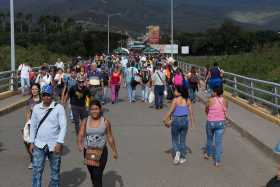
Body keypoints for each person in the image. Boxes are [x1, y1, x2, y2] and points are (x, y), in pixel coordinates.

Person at [29, 84, 67, 187]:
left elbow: (63, 126)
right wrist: (31, 142)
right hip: (39, 144)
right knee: (37, 171)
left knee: (55, 172)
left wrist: (59, 143)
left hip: (54, 145)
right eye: (44, 95)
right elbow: (33, 126)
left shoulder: (59, 108)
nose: (46, 97)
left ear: (52, 95)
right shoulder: (36, 108)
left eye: (48, 95)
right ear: (41, 95)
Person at [77, 100, 118, 187]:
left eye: (96, 109)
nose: (94, 111)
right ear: (89, 110)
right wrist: (80, 144)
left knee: (98, 174)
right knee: (92, 173)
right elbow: (81, 133)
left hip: (101, 152)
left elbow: (110, 137)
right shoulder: (85, 120)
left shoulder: (105, 122)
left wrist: (114, 151)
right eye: (92, 109)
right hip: (88, 152)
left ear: (100, 109)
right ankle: (95, 183)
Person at [163, 86, 194, 164]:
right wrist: (192, 123)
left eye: (175, 90)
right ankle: (183, 157)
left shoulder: (175, 100)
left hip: (176, 120)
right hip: (185, 120)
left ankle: (177, 151)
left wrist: (165, 119)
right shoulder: (188, 100)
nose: (174, 92)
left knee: (174, 138)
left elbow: (171, 111)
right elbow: (191, 113)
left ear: (180, 92)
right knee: (183, 140)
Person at [204, 86, 228, 167]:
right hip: (221, 122)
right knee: (218, 142)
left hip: (211, 122)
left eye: (213, 91)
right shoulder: (225, 100)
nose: (212, 92)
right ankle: (217, 161)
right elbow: (225, 109)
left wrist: (209, 114)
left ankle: (208, 154)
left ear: (215, 92)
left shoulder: (210, 100)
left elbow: (206, 109)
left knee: (209, 139)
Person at [23, 83, 41, 169]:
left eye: (36, 89)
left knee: (38, 143)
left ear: (39, 90)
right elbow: (28, 113)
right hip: (31, 124)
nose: (34, 91)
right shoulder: (29, 101)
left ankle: (40, 157)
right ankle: (32, 160)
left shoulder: (42, 100)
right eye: (32, 89)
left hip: (41, 124)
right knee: (28, 141)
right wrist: (26, 124)